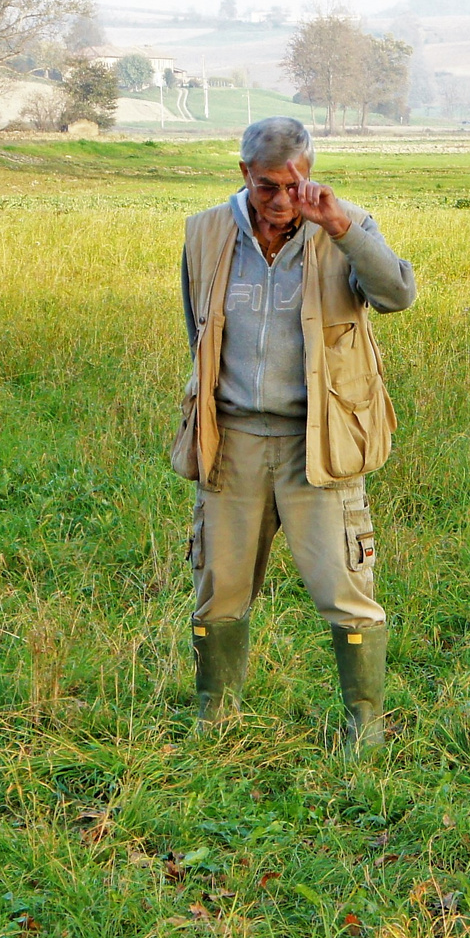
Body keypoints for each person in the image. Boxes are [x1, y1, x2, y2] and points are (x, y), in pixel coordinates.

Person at [171, 116, 416, 748]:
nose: (283, 202)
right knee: (218, 591)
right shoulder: (205, 232)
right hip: (230, 442)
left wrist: (342, 229)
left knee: (346, 591)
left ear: (311, 172)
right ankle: (215, 719)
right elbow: (198, 326)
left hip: (320, 443)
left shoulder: (344, 225)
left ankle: (366, 725)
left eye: (295, 185)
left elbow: (396, 295)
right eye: (267, 188)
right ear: (244, 175)